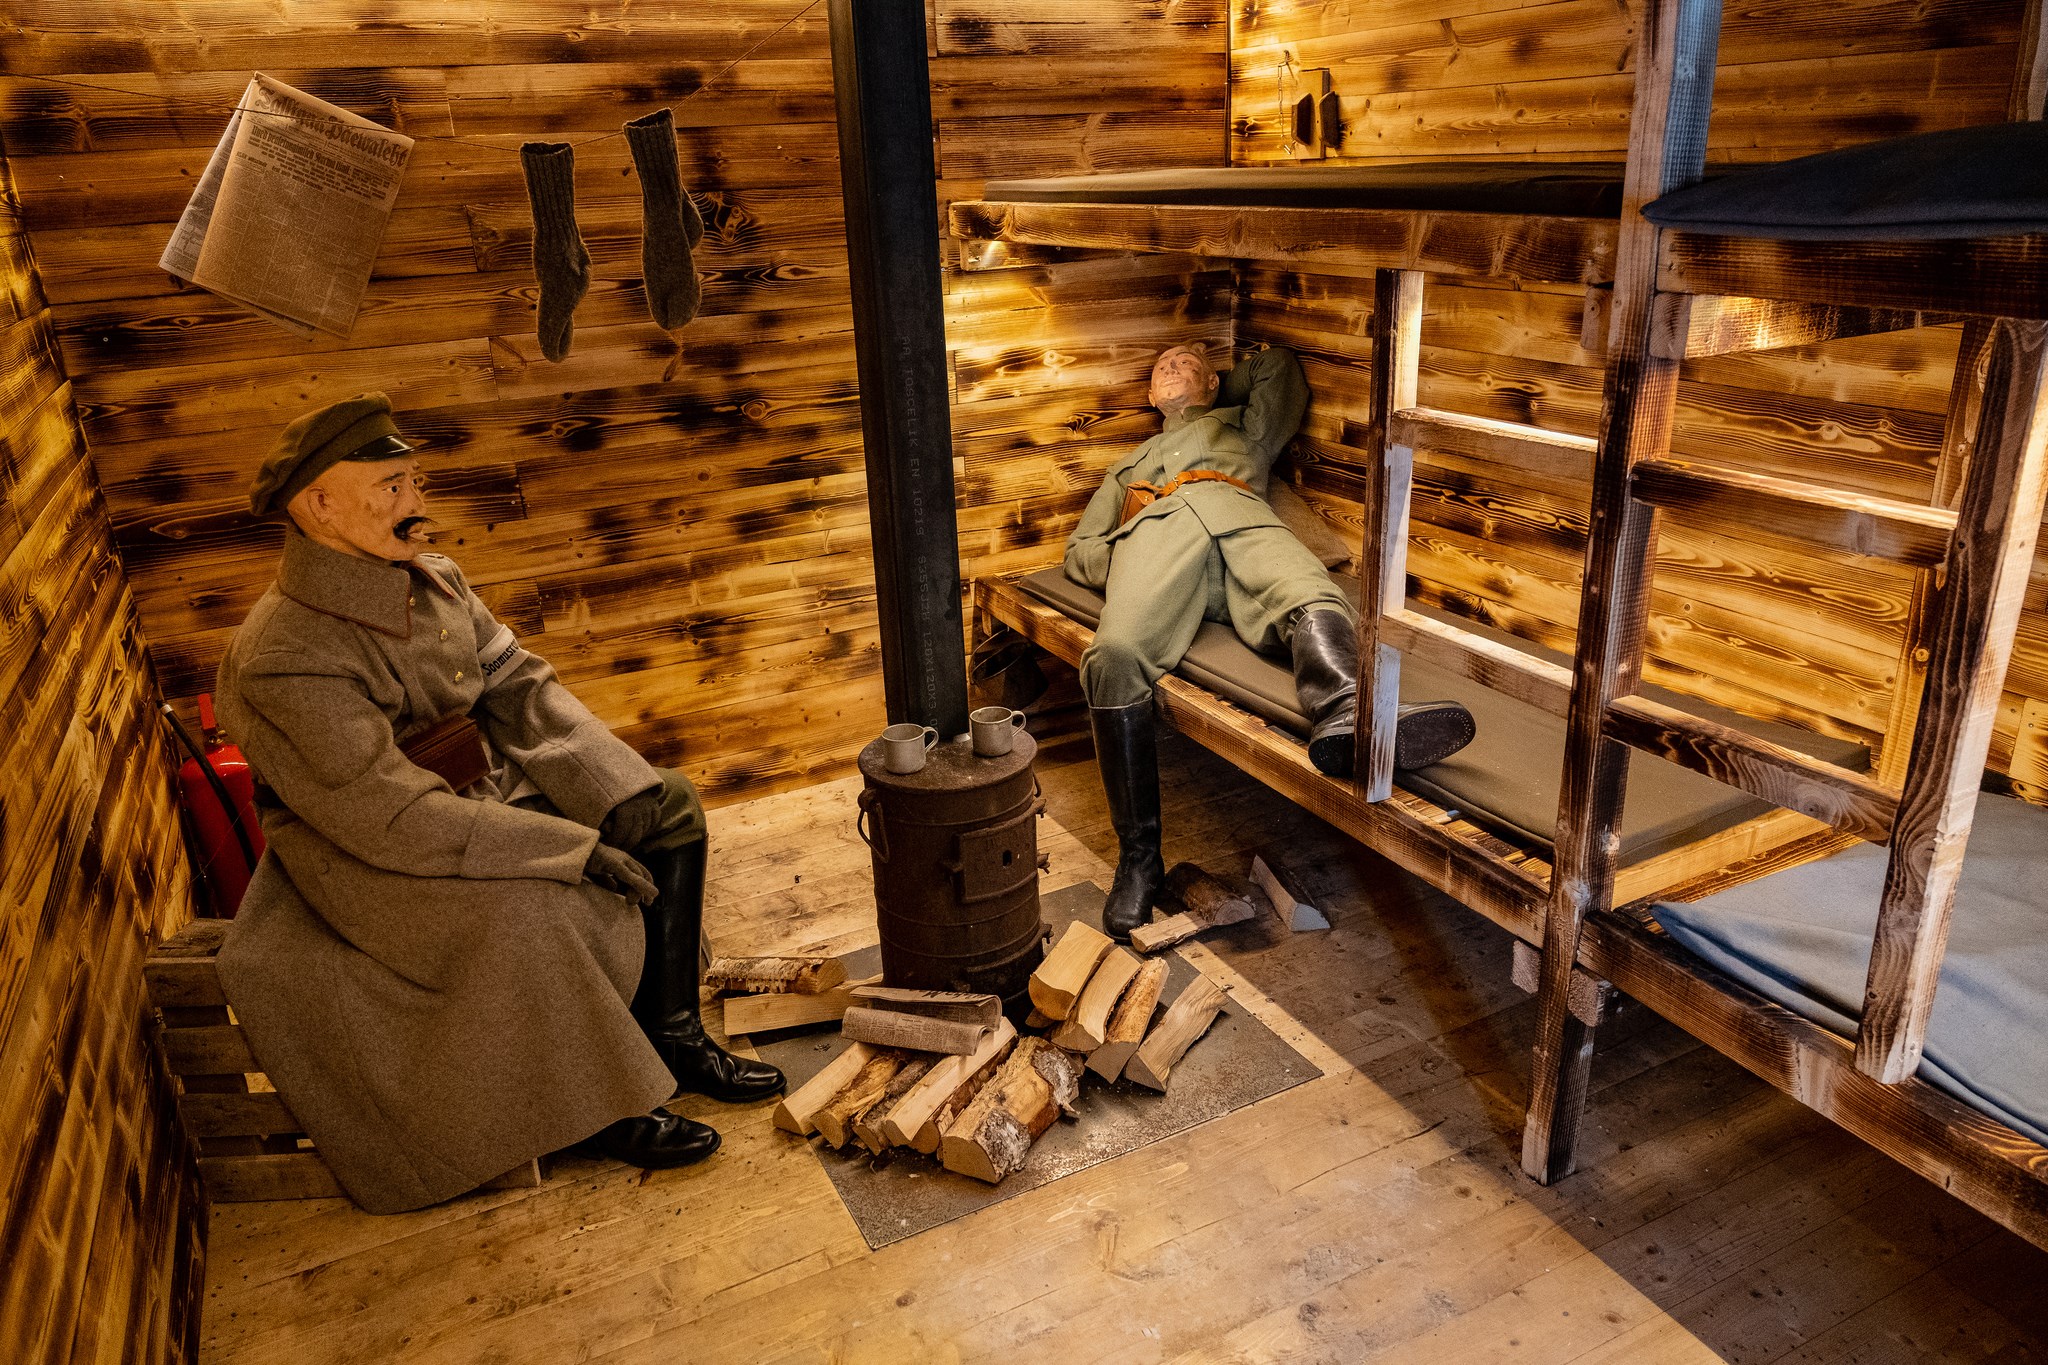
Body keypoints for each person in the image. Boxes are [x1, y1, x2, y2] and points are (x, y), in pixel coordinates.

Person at [212, 394, 782, 1215]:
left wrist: (612, 783)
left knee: (670, 808)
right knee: (530, 909)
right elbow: (388, 816)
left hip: (466, 797)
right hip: (367, 855)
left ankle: (674, 1034)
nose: (418, 504)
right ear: (319, 504)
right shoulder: (280, 656)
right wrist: (567, 848)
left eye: (414, 481)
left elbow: (517, 682)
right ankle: (597, 1107)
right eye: (393, 487)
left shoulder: (433, 579)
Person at [1063, 345, 1476, 939]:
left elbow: (1277, 366)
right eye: (1160, 370)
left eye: (1187, 364)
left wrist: (1215, 386)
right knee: (1113, 656)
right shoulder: (1127, 467)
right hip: (1159, 538)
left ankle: (1345, 711)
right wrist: (1131, 556)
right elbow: (1081, 549)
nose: (1171, 369)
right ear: (1149, 399)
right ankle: (1140, 860)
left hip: (1241, 516)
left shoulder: (1247, 432)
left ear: (1214, 385)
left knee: (1308, 591)